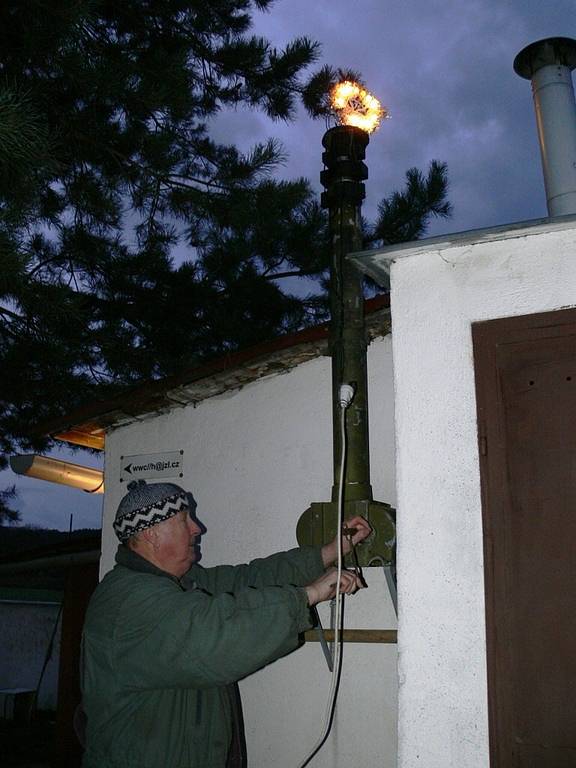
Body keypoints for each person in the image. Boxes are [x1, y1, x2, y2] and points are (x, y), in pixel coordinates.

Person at [81, 479, 371, 768]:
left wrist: (329, 552)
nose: (197, 528)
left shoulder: (180, 584)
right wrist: (307, 595)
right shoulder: (131, 602)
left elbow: (249, 580)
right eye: (184, 520)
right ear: (151, 535)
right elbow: (219, 635)